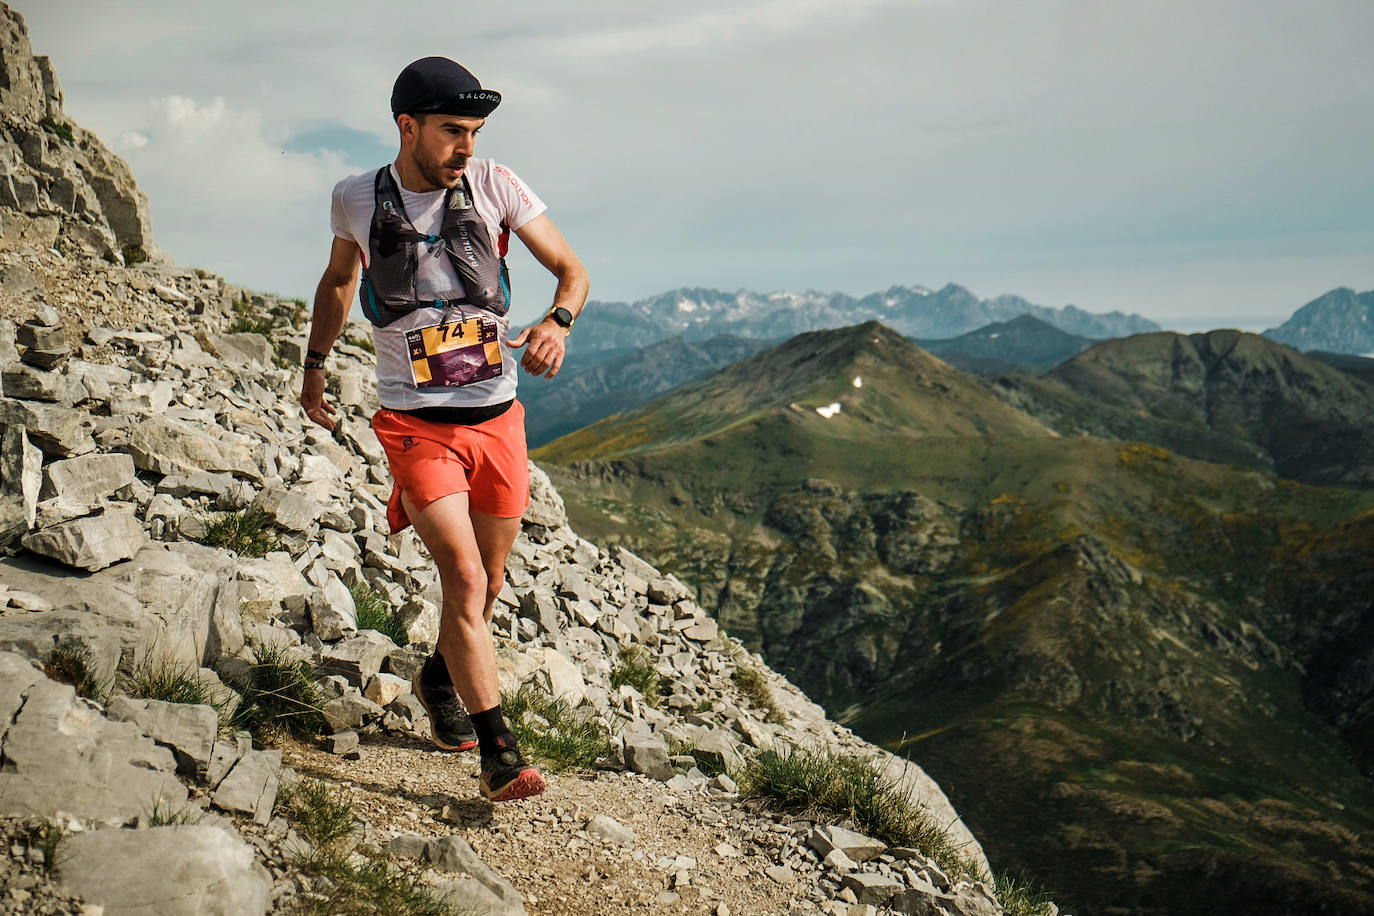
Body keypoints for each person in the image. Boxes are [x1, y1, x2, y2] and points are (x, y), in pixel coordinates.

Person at [299, 56, 588, 802]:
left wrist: (558, 321)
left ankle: (438, 676)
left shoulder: (495, 184)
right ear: (408, 127)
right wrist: (314, 366)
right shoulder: (355, 198)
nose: (467, 147)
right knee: (461, 574)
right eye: (453, 132)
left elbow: (571, 269)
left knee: (487, 581)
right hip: (413, 422)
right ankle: (498, 752)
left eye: (476, 131)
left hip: (497, 418)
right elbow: (339, 283)